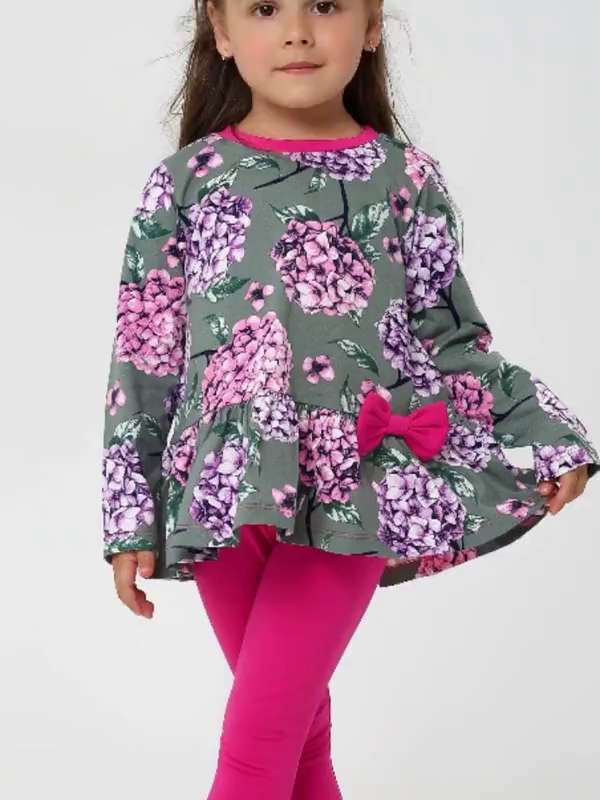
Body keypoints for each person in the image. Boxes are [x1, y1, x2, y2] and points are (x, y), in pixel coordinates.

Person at [100, 1, 600, 797]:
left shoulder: (405, 179)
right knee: (296, 743)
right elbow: (145, 355)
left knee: (257, 748)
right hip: (222, 490)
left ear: (371, 25)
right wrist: (130, 518)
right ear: (221, 31)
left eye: (326, 5)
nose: (297, 30)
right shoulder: (182, 183)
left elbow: (452, 340)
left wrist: (544, 427)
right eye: (265, 8)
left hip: (355, 485)